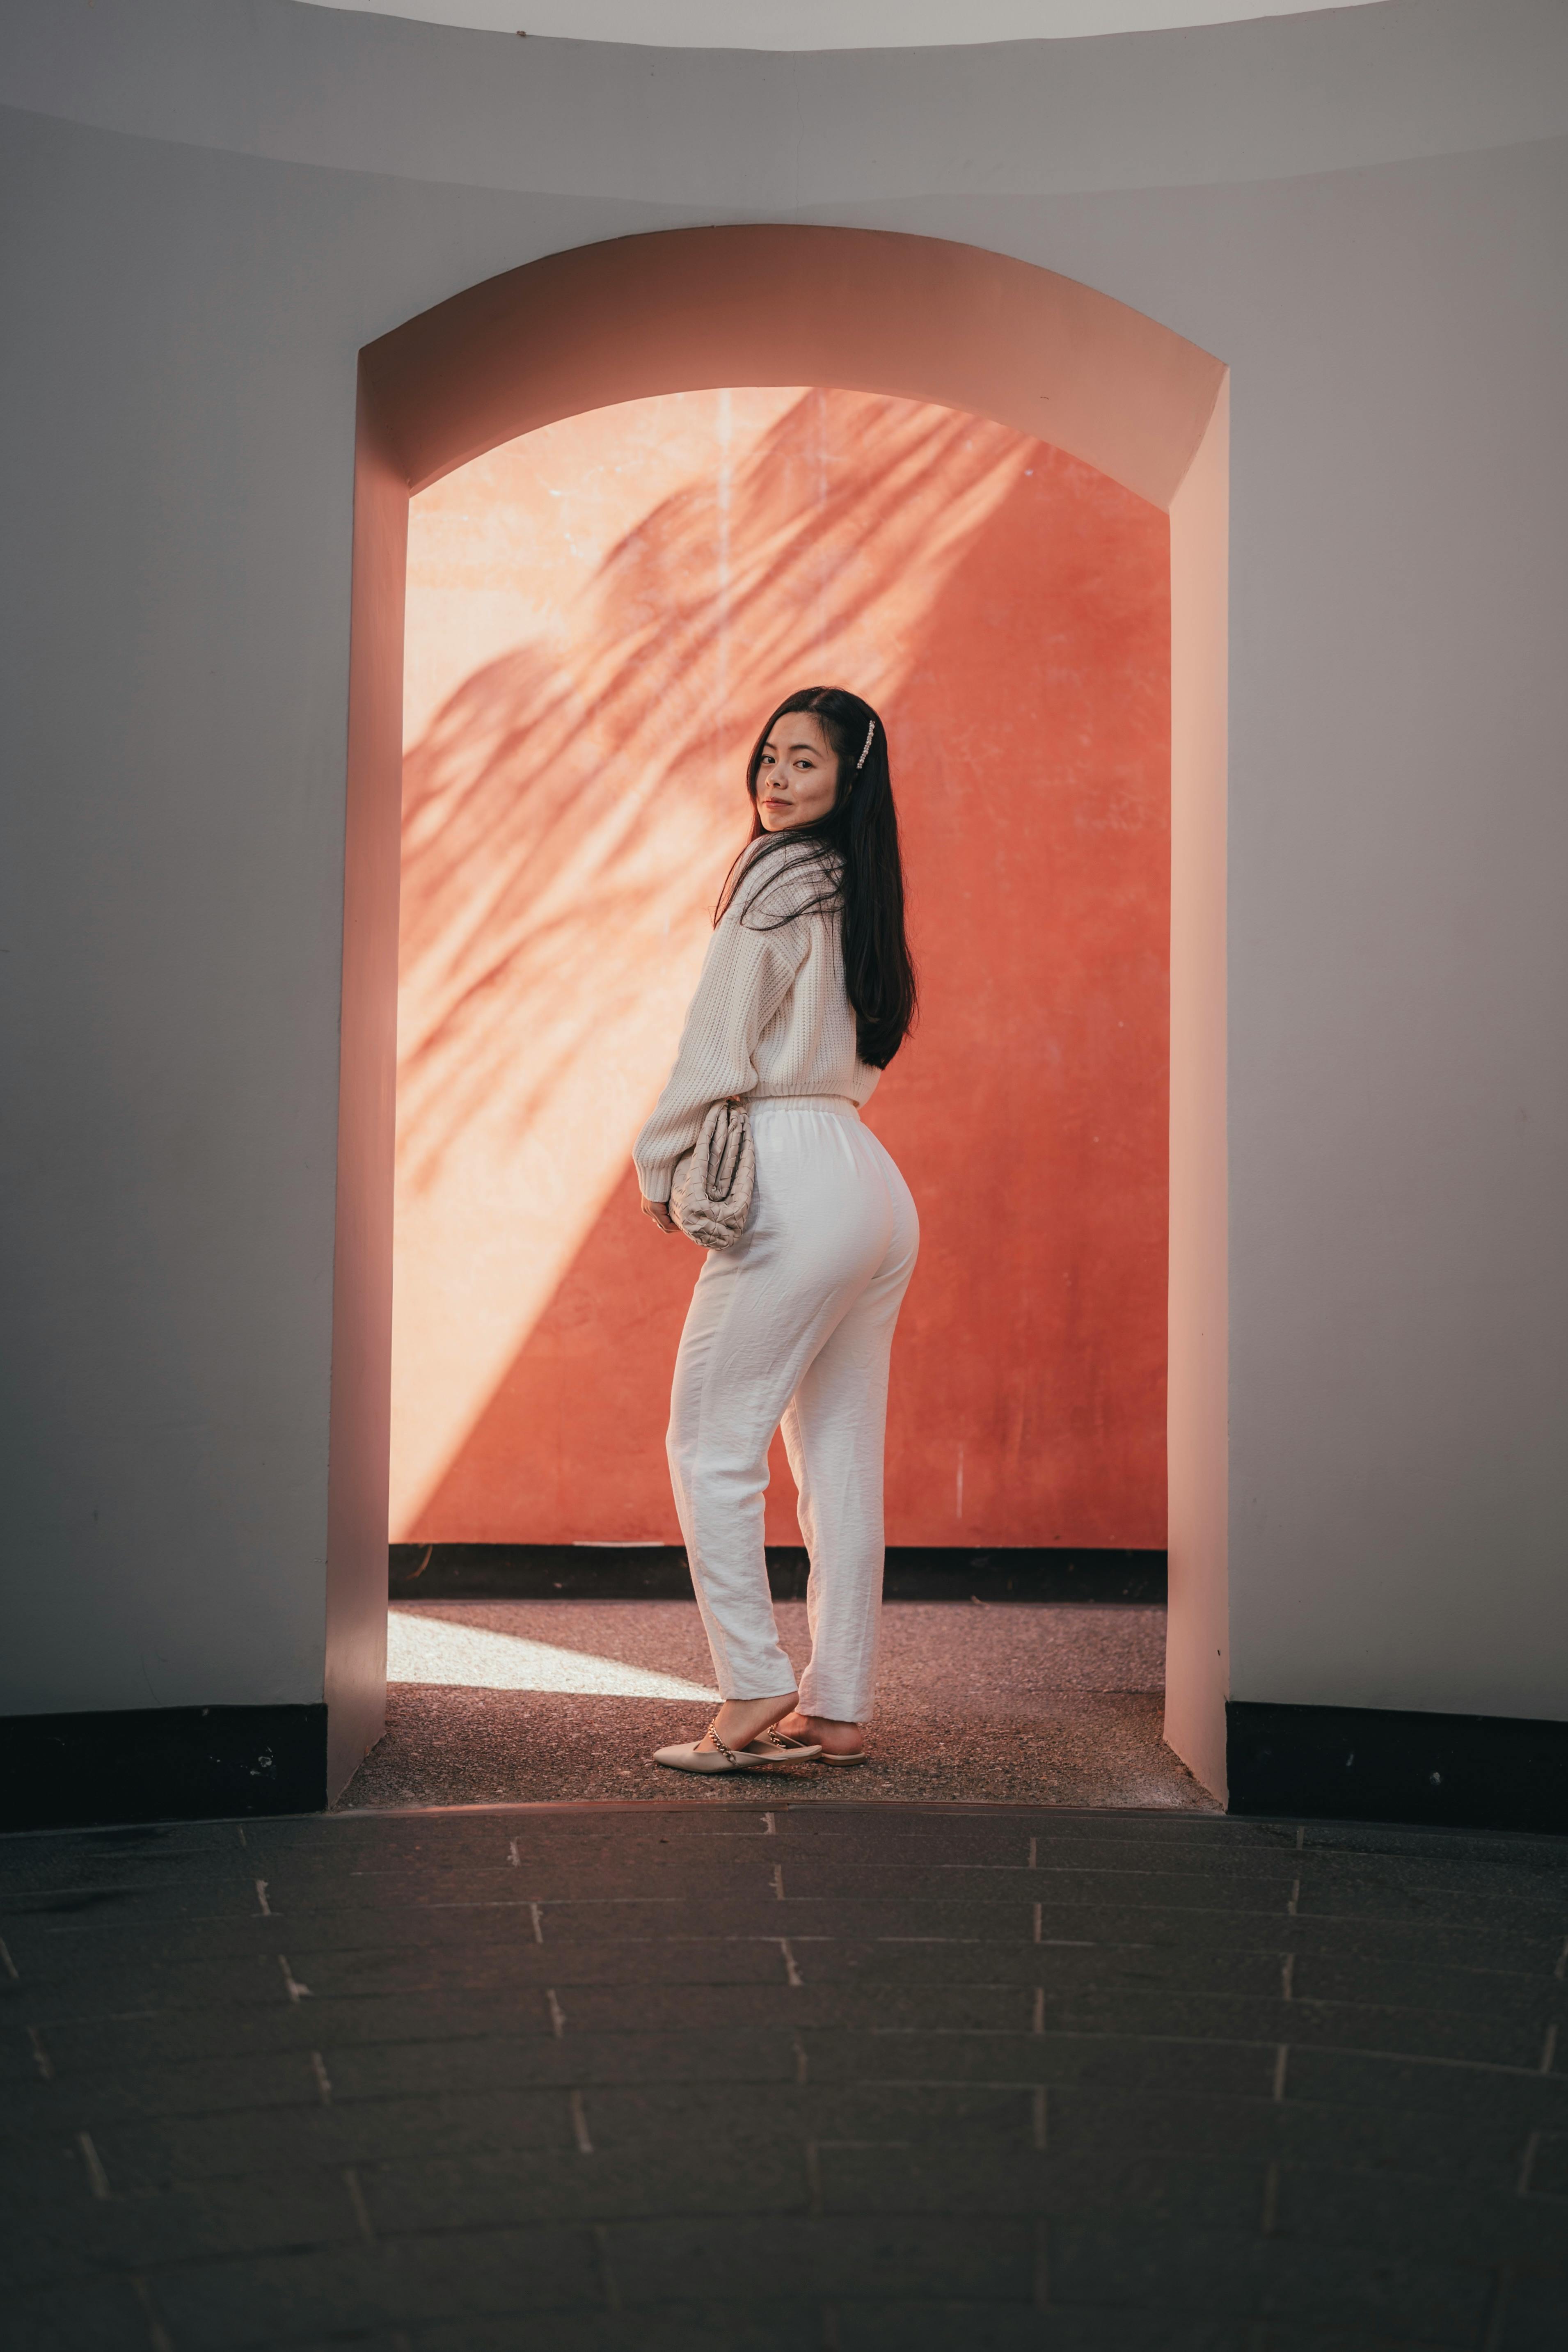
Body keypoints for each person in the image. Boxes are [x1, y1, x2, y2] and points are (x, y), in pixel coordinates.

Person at [634, 686, 920, 1772]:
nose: (777, 776)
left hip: (797, 1176)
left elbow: (716, 1044)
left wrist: (659, 1158)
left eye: (804, 760)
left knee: (710, 1441)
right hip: (871, 1184)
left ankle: (755, 1687)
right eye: (768, 756)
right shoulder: (866, 888)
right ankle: (836, 1706)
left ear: (849, 777)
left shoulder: (769, 875)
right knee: (839, 1452)